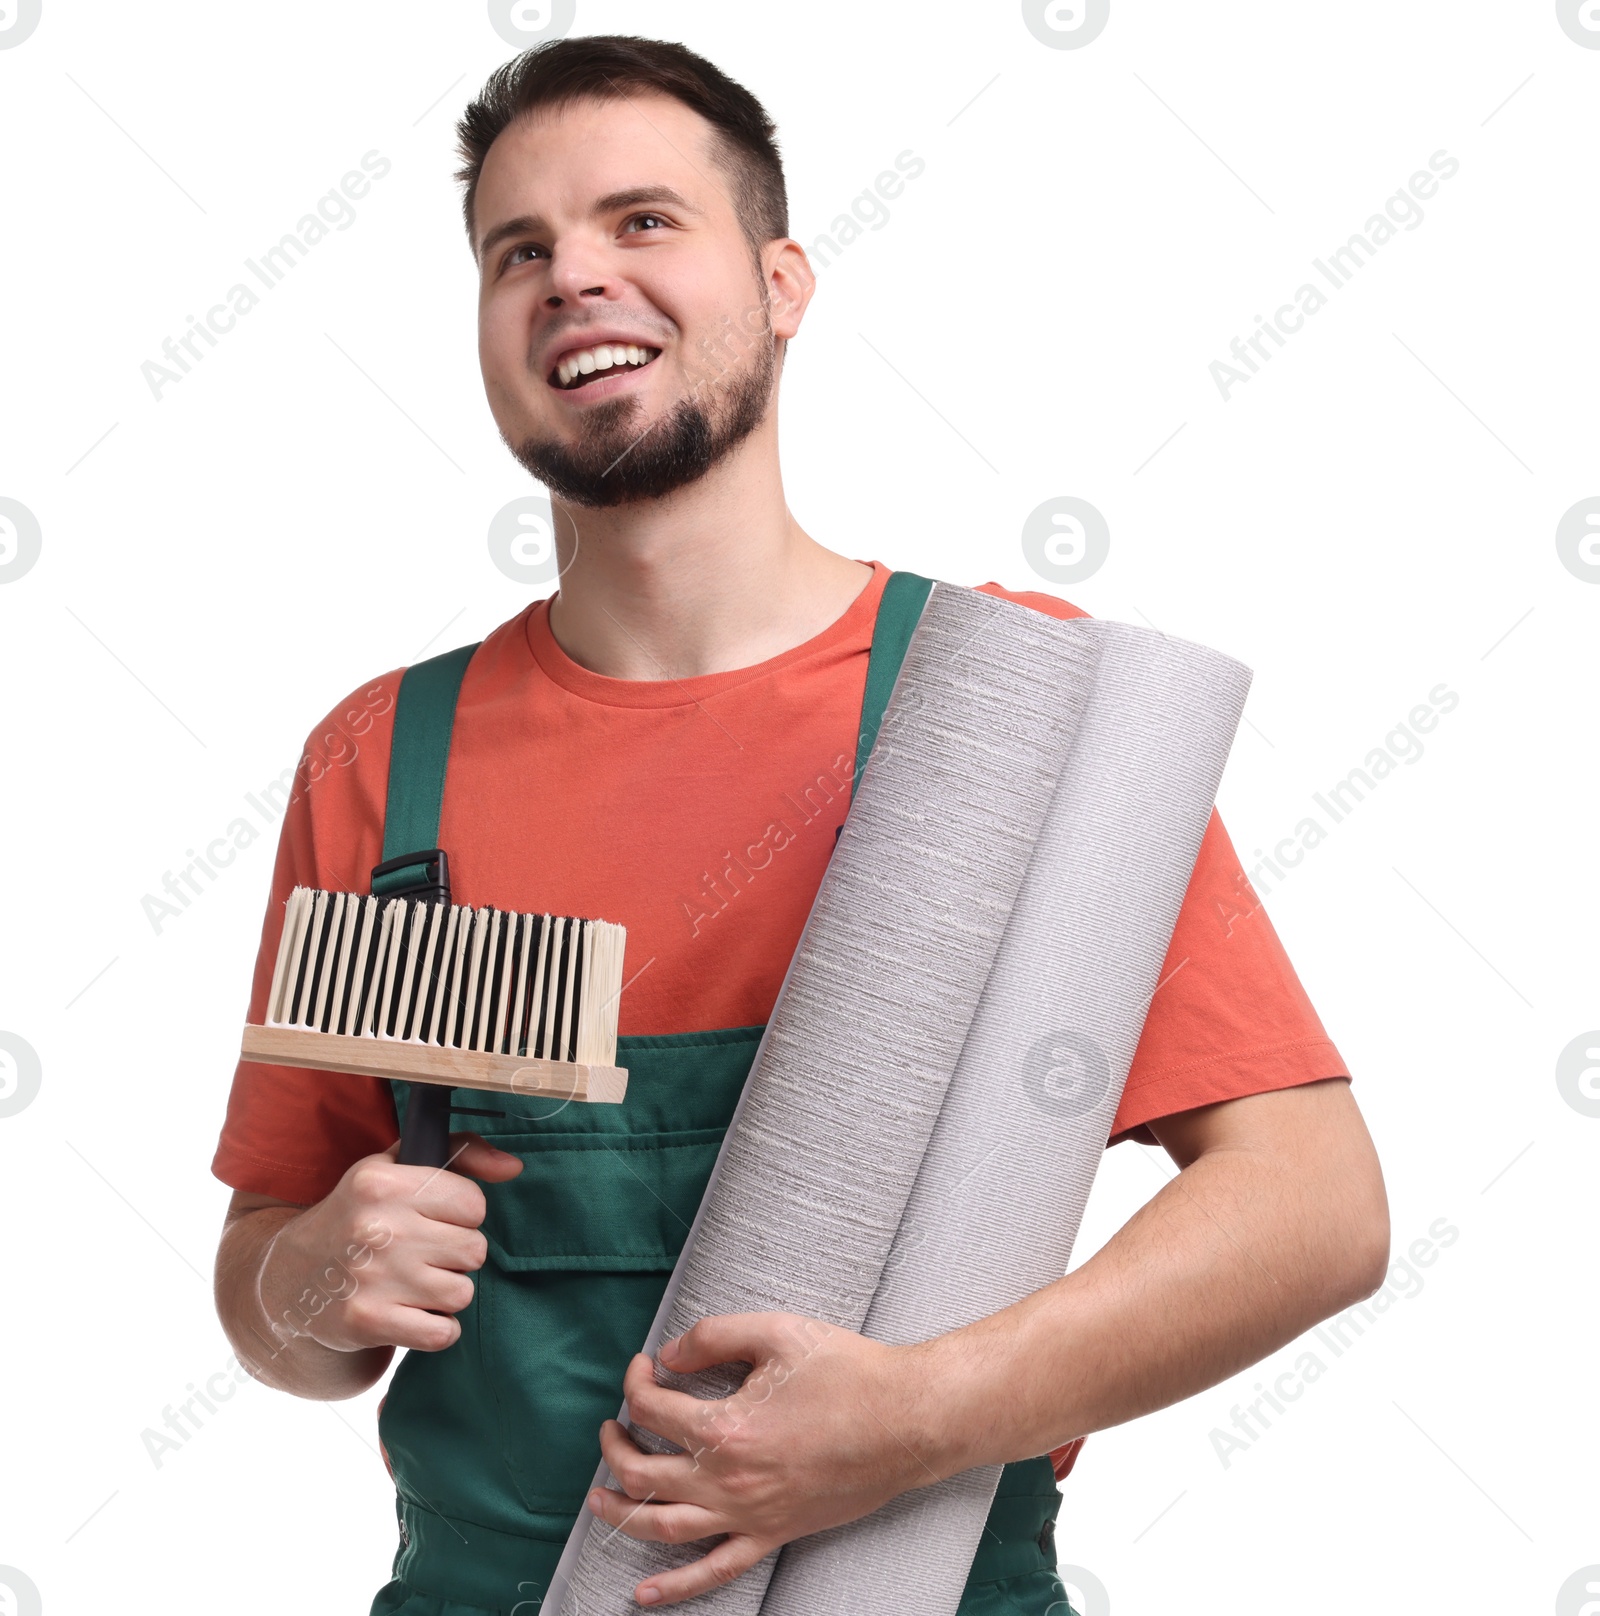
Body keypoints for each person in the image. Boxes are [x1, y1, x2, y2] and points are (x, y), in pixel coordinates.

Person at [211, 34, 1389, 1616]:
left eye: (642, 222)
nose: (573, 277)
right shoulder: (382, 759)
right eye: (519, 251)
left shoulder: (995, 722)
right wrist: (305, 1281)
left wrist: (922, 1417)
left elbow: (1315, 1204)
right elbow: (271, 1285)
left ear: (780, 283)